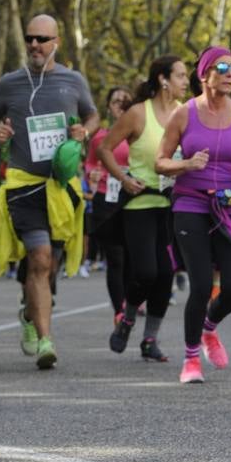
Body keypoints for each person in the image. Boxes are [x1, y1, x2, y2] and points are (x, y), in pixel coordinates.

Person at [0, 13, 98, 370]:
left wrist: (84, 132)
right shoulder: (10, 82)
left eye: (42, 39)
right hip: (23, 185)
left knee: (50, 266)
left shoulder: (73, 80)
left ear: (56, 43)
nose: (35, 45)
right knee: (40, 257)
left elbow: (92, 116)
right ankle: (47, 340)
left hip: (61, 187)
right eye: (30, 38)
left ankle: (30, 312)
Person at [156, 46, 231, 383]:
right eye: (222, 68)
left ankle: (209, 328)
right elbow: (160, 161)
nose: (230, 73)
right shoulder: (183, 114)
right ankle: (190, 360)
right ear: (204, 74)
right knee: (200, 285)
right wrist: (186, 164)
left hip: (230, 207)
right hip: (191, 205)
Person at [101, 56, 189, 363]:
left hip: (171, 206)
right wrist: (124, 179)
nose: (186, 81)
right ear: (163, 79)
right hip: (139, 205)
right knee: (146, 271)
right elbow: (104, 148)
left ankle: (150, 339)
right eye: (180, 76)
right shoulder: (138, 114)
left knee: (166, 275)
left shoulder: (184, 113)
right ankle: (127, 318)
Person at [85, 86, 132, 317]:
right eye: (115, 101)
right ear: (108, 108)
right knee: (115, 257)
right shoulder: (100, 137)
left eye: (125, 101)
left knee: (133, 256)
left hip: (134, 197)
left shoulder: (139, 135)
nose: (120, 105)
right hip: (107, 196)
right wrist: (91, 174)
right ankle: (120, 311)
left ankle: (133, 299)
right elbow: (91, 163)